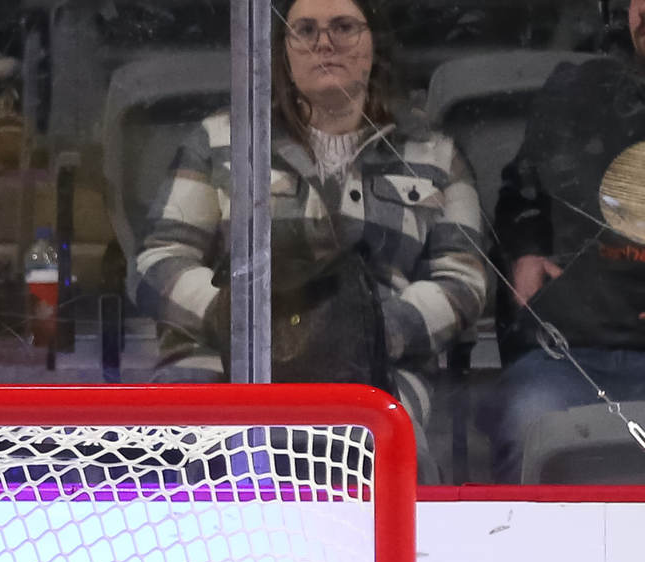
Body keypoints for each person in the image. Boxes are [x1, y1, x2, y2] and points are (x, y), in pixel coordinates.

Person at [132, 0, 488, 442]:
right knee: (184, 458)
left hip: (376, 373)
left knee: (386, 454)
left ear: (375, 44)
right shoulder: (221, 139)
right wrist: (234, 320)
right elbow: (158, 261)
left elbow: (463, 279)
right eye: (305, 30)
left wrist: (372, 331)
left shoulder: (436, 154)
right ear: (283, 50)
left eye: (343, 27)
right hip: (223, 363)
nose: (324, 43)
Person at [491, 0, 645, 482]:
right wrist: (527, 252)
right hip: (570, 355)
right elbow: (524, 192)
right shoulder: (577, 92)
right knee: (529, 422)